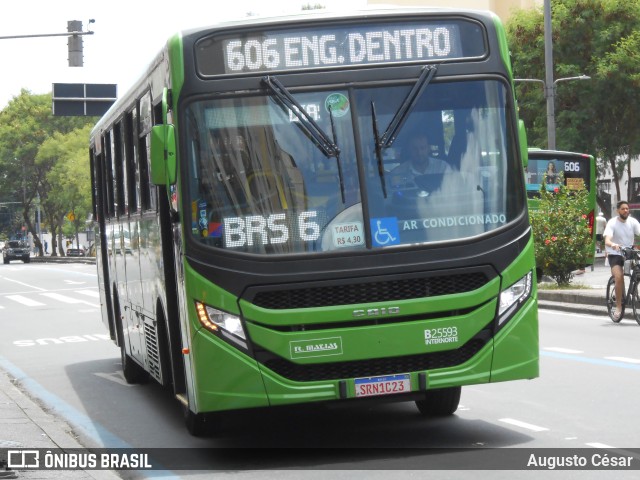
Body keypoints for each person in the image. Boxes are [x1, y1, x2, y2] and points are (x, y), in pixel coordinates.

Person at [603, 201, 640, 321]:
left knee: (637, 272)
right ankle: (618, 306)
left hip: (629, 253)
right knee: (618, 276)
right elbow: (607, 240)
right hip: (615, 253)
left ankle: (633, 290)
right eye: (623, 209)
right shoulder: (612, 223)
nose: (626, 211)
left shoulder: (633, 222)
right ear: (618, 210)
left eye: (627, 209)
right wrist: (613, 245)